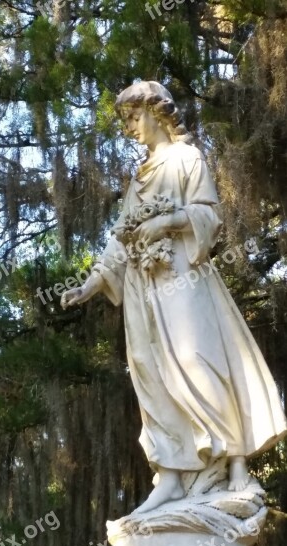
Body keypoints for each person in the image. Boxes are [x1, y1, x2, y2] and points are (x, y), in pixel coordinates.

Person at [62, 81, 287, 513]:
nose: (129, 128)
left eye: (133, 118)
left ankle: (235, 467)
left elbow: (209, 214)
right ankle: (170, 474)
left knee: (197, 360)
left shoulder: (186, 158)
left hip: (182, 276)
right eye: (125, 120)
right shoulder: (139, 178)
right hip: (142, 287)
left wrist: (167, 223)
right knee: (150, 372)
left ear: (157, 113)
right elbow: (120, 239)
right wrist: (91, 283)